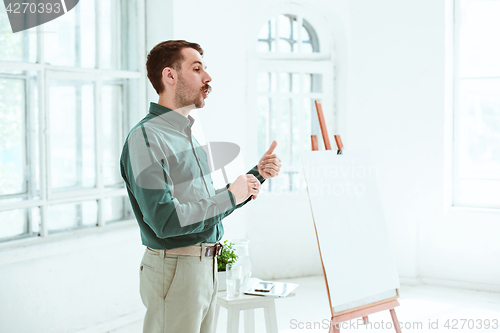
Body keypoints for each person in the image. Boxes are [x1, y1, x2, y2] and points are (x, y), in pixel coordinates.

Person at [120, 40, 282, 333]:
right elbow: (167, 221)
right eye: (197, 69)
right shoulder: (145, 138)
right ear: (170, 76)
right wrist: (232, 196)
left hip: (204, 268)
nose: (208, 78)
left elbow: (200, 209)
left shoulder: (186, 135)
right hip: (178, 269)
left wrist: (254, 177)